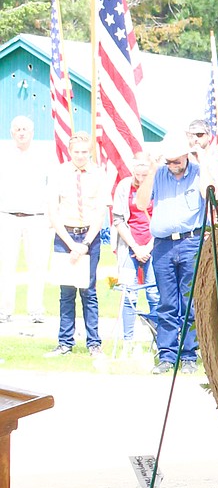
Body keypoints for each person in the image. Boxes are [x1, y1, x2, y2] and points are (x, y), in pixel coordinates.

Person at [136, 131, 205, 371]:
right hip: (163, 244)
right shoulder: (158, 174)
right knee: (167, 303)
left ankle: (188, 355)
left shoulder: (198, 173)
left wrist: (202, 162)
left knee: (189, 302)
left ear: (186, 156)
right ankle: (166, 355)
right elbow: (141, 203)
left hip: (190, 241)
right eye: (169, 161)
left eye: (177, 160)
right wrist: (154, 168)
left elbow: (211, 194)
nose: (173, 165)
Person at [47, 132, 109, 358]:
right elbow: (53, 211)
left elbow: (100, 212)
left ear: (90, 152)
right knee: (66, 292)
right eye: (77, 152)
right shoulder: (59, 173)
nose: (81, 156)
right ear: (70, 151)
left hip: (89, 238)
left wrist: (84, 244)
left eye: (84, 152)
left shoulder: (98, 174)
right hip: (65, 236)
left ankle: (94, 344)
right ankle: (65, 343)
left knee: (89, 291)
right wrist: (71, 243)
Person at [0, 116, 50, 326]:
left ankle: (36, 310)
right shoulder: (3, 154)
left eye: (26, 129)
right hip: (7, 216)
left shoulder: (43, 156)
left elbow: (51, 187)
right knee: (5, 265)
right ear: (12, 132)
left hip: (36, 217)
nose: (22, 132)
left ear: (32, 132)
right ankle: (4, 310)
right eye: (18, 129)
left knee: (37, 265)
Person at [111, 149, 156, 353]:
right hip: (129, 246)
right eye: (137, 169)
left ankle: (160, 340)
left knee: (155, 294)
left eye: (144, 170)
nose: (140, 175)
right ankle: (127, 341)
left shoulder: (158, 185)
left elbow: (163, 218)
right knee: (129, 294)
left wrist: (148, 247)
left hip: (154, 246)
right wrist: (135, 247)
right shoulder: (124, 187)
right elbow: (118, 219)